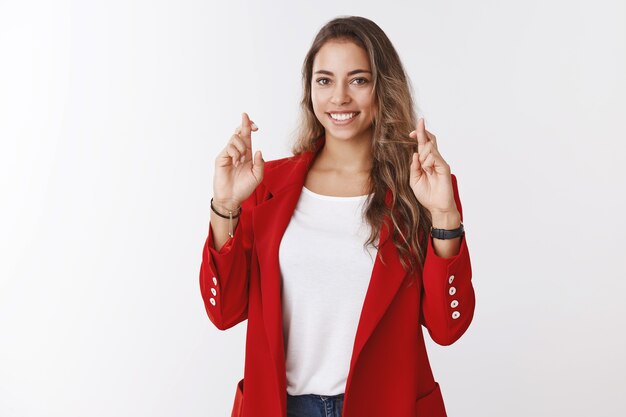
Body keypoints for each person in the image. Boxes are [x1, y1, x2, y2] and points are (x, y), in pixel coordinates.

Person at [200, 15, 475, 417]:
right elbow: (224, 313)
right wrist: (225, 205)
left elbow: (447, 329)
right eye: (325, 80)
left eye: (358, 80)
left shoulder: (420, 189)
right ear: (309, 90)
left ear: (383, 88)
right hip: (281, 407)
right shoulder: (266, 186)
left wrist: (444, 214)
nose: (339, 97)